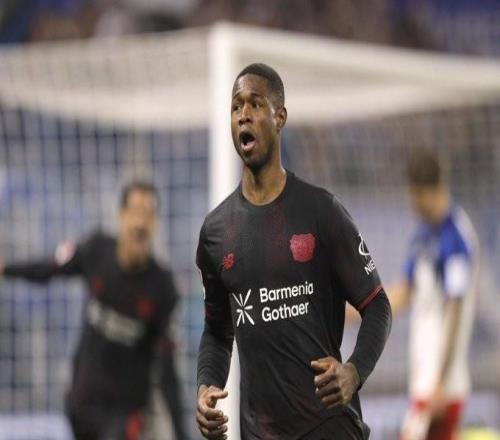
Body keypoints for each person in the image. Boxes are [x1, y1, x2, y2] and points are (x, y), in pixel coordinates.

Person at [195, 63, 392, 440]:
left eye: (255, 104)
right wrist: (205, 387)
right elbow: (217, 332)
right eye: (236, 107)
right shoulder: (216, 232)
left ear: (280, 117)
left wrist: (354, 372)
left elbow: (377, 305)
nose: (243, 115)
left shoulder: (322, 212)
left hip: (329, 428)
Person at [0, 181, 186, 440]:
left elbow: (167, 367)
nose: (140, 223)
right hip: (82, 402)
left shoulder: (162, 287)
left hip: (125, 412)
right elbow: (50, 267)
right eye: (135, 212)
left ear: (155, 223)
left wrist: (182, 434)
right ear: (121, 216)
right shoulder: (96, 250)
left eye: (148, 214)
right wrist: (6, 269)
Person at [390, 151, 478, 440]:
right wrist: (361, 307)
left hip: (441, 389)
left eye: (414, 195)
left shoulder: (456, 239)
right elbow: (405, 290)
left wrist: (441, 380)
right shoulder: (423, 236)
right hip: (425, 382)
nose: (411, 204)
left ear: (428, 191)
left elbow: (456, 309)